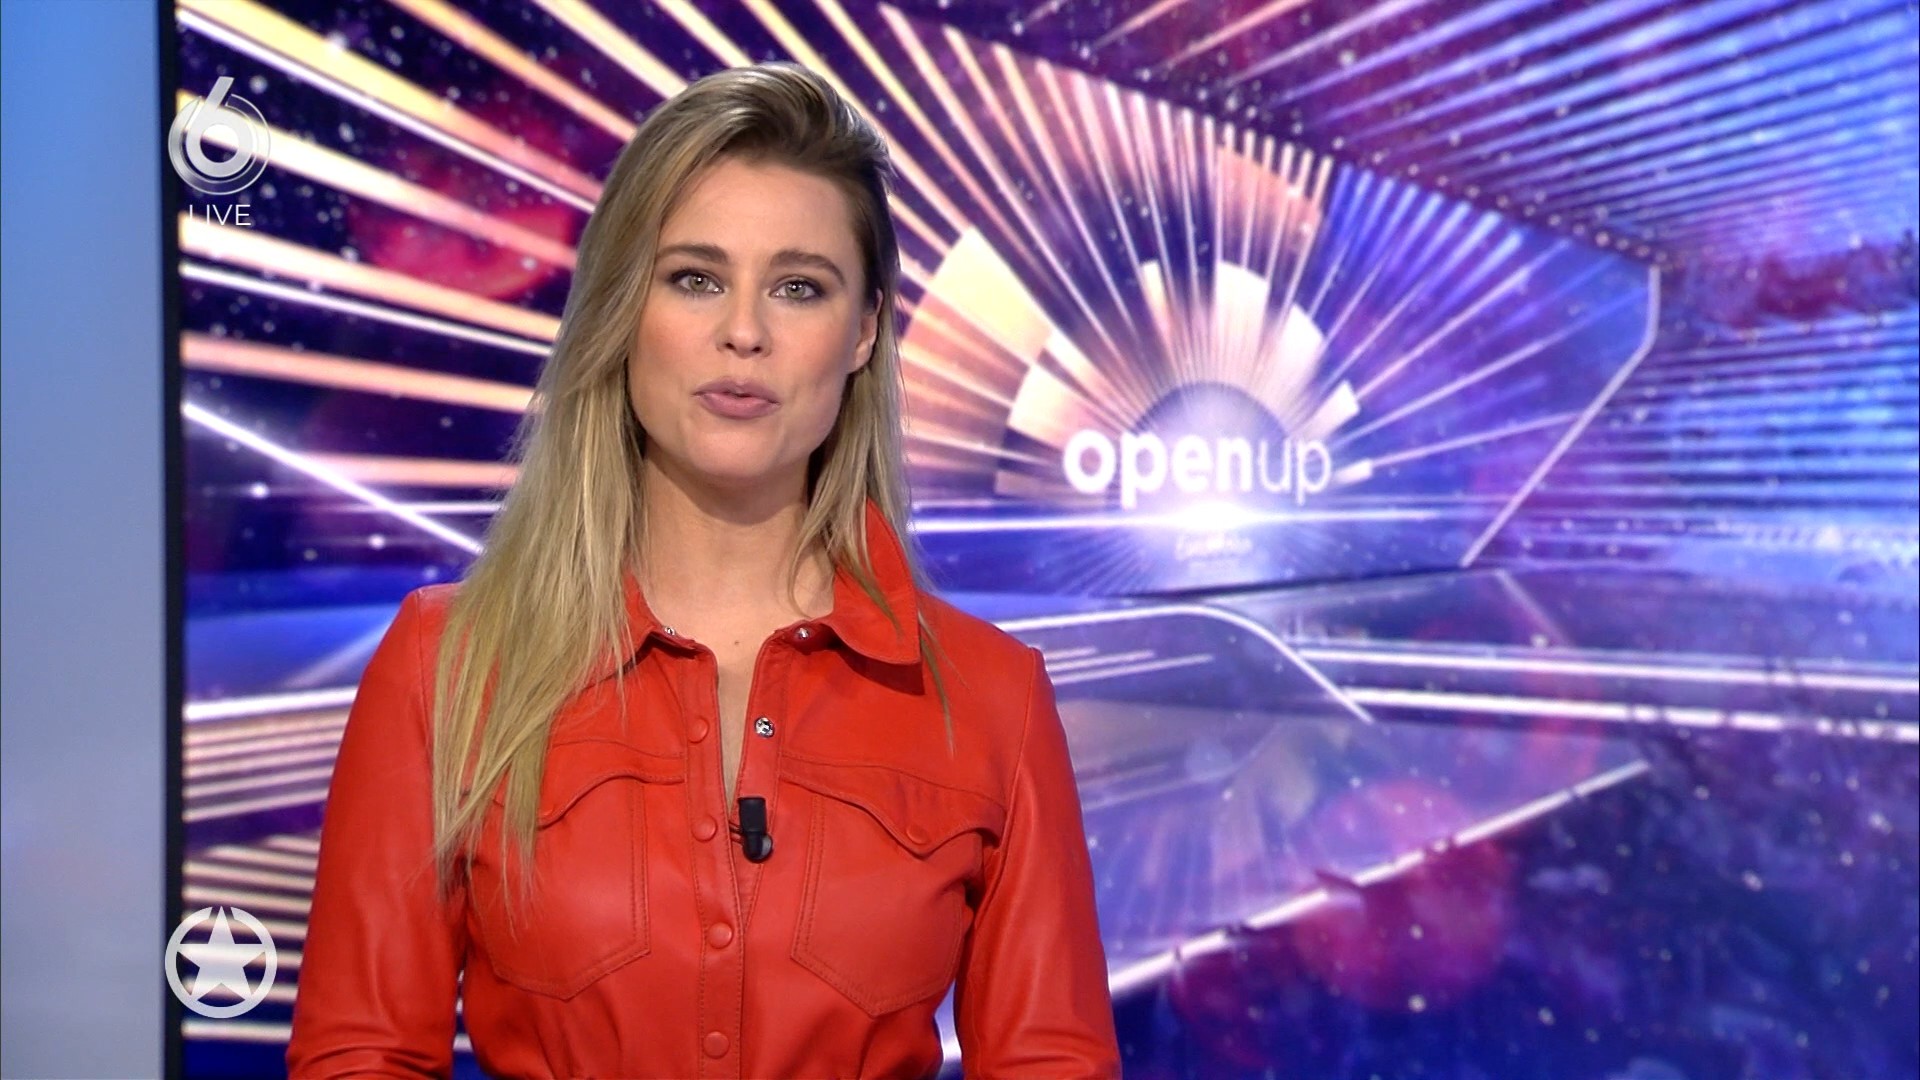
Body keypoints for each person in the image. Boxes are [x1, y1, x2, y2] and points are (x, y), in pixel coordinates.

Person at [285, 62, 1120, 1078]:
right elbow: (361, 1055)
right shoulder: (447, 666)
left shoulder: (991, 698)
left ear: (863, 331)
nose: (744, 332)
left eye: (799, 287)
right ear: (621, 307)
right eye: (695, 278)